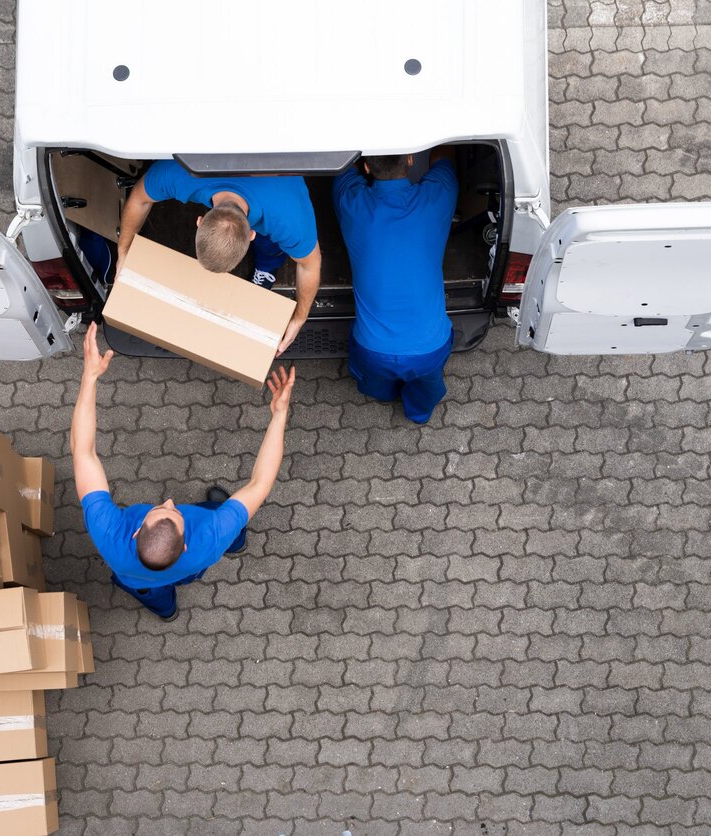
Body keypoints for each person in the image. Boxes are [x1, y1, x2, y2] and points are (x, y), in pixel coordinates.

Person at [70, 322, 295, 620]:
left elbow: (83, 452)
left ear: (136, 532)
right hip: (194, 564)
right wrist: (279, 416)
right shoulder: (209, 539)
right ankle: (237, 542)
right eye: (174, 512)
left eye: (161, 509)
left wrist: (89, 378)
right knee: (224, 512)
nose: (170, 502)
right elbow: (259, 484)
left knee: (154, 597)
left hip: (135, 581)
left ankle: (167, 611)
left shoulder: (109, 535)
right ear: (186, 544)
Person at [116, 160, 321, 354]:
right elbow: (139, 197)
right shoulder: (179, 173)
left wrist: (300, 318)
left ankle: (267, 267)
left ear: (200, 220)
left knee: (273, 244)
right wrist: (123, 252)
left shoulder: (289, 218)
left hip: (276, 192)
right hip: (268, 197)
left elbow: (311, 265)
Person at [332, 148, 459, 424]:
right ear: (411, 161)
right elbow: (445, 153)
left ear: (366, 167)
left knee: (376, 382)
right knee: (425, 388)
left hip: (372, 349)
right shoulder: (438, 195)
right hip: (430, 347)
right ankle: (418, 412)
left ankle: (383, 393)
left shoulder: (350, 201)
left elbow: (339, 164)